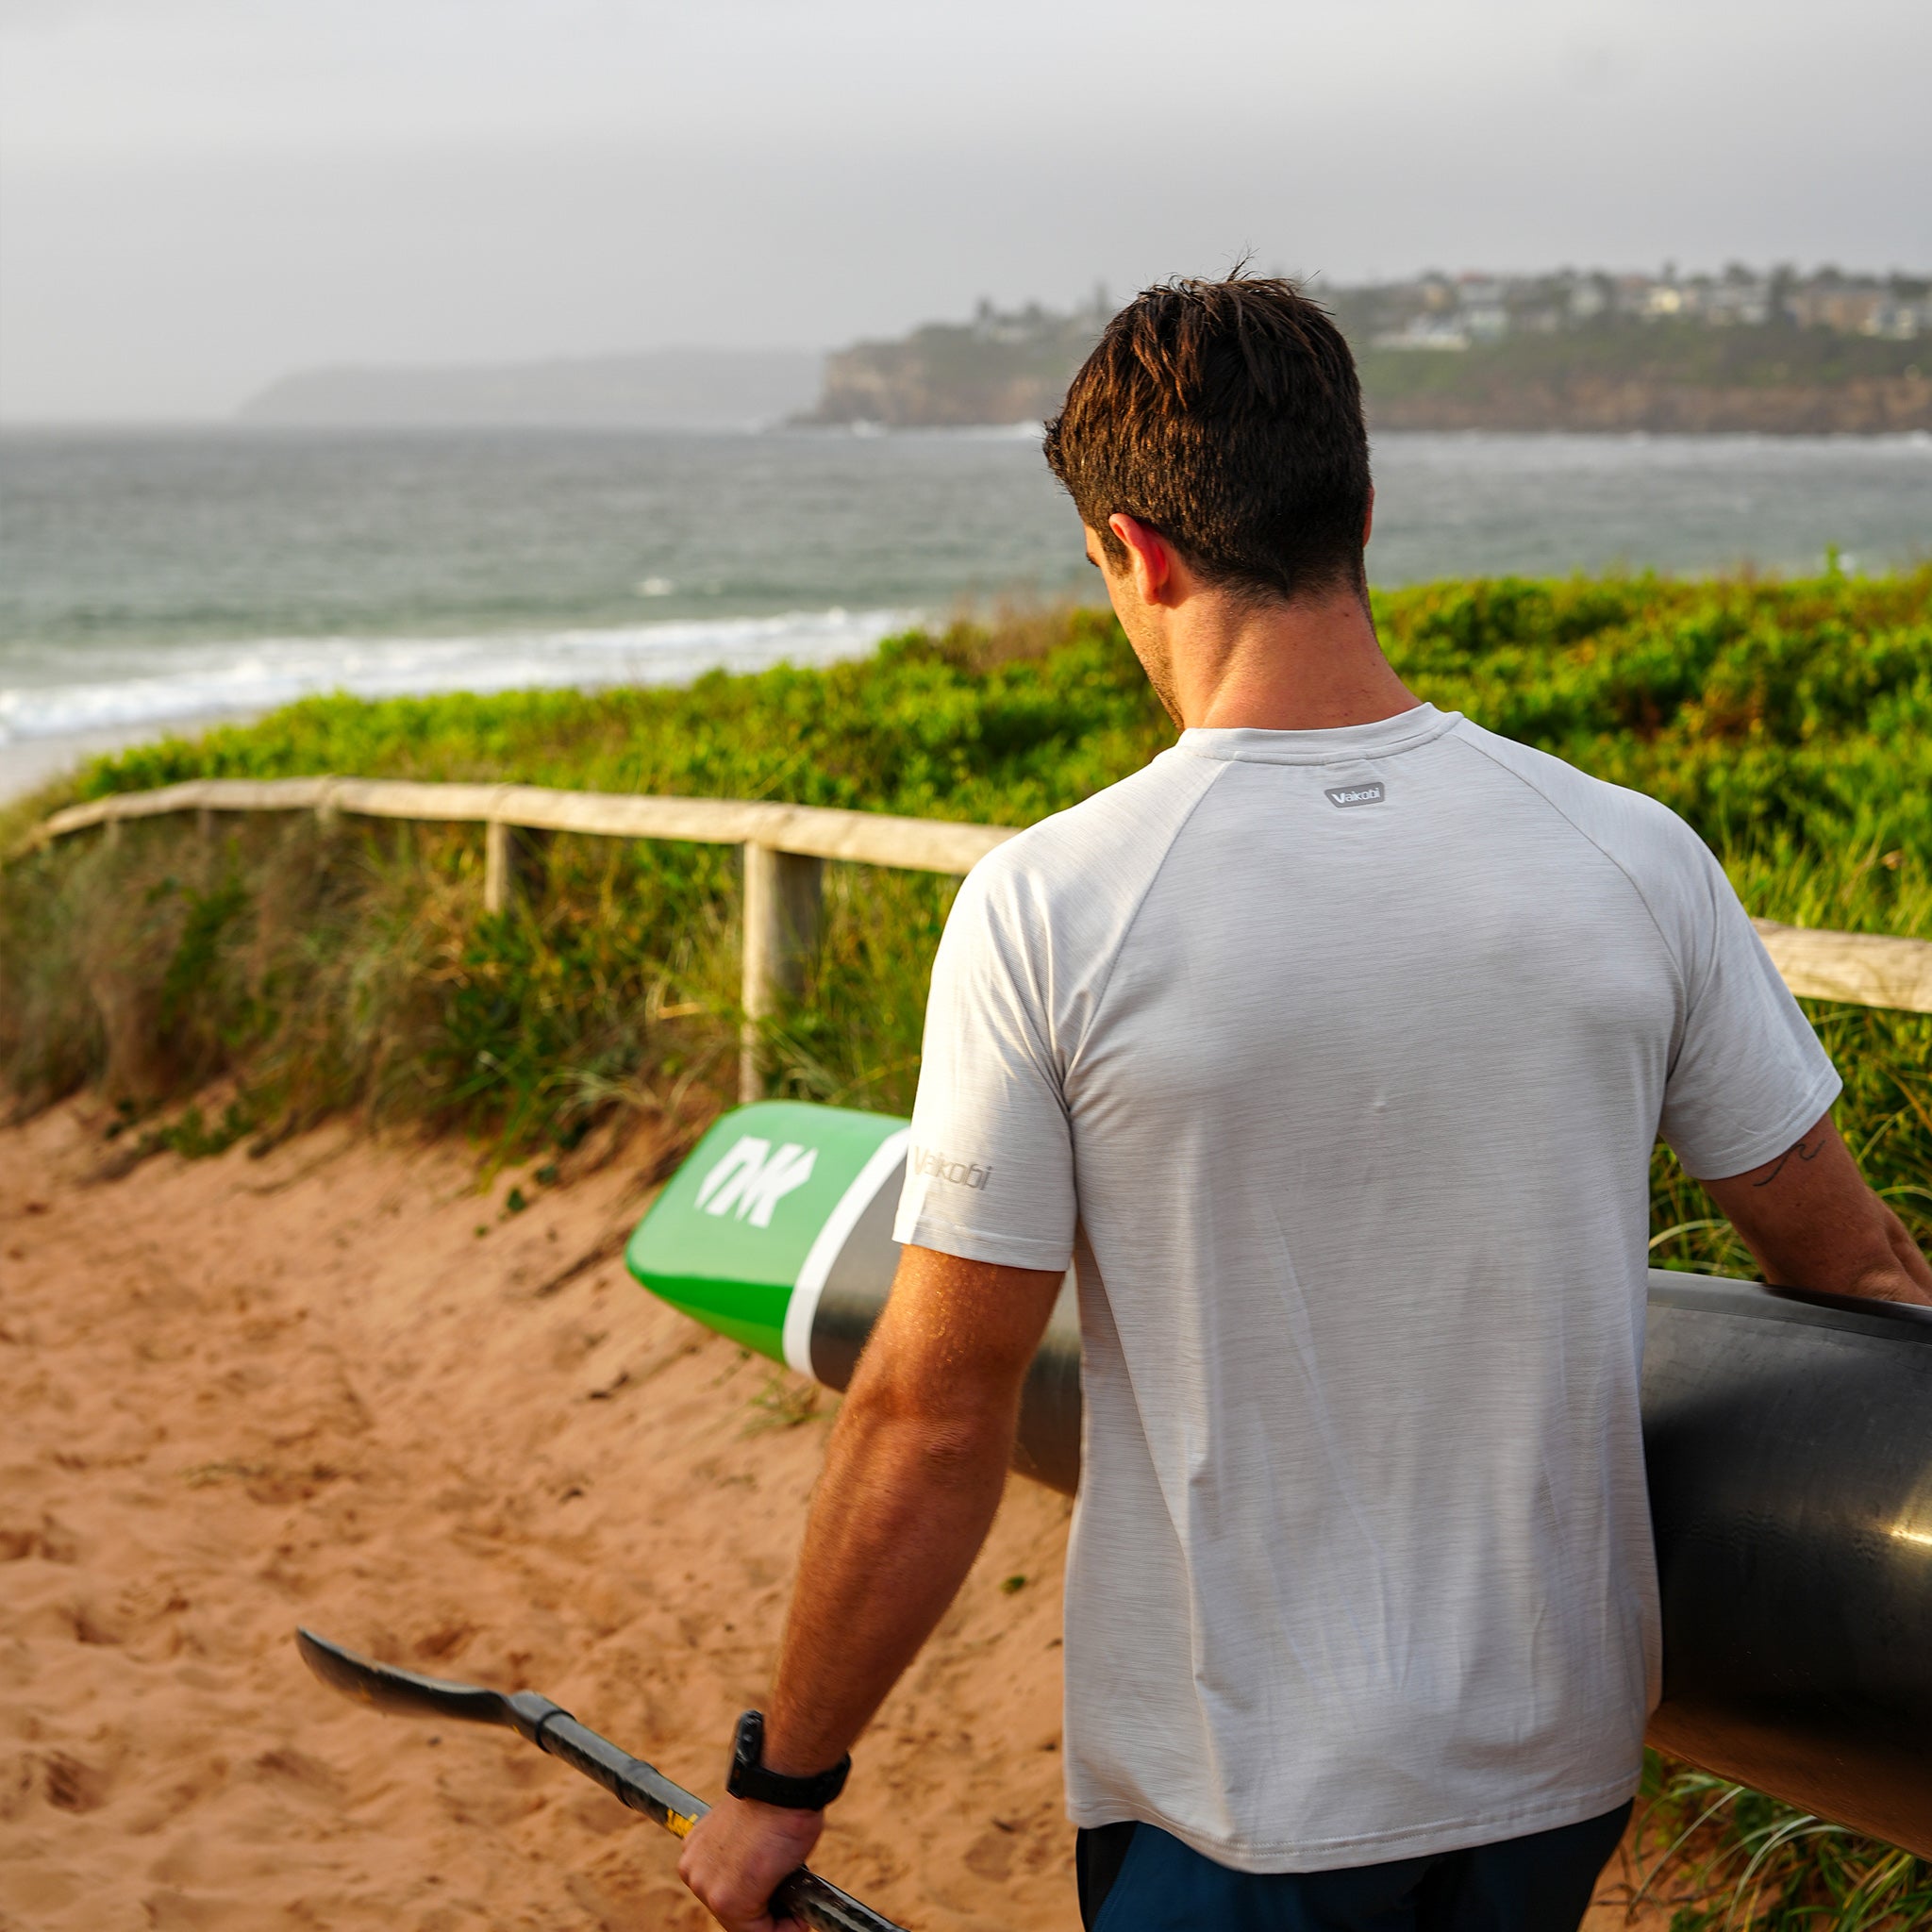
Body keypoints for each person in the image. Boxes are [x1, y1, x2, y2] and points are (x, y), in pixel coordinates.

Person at [678, 275, 1932, 1932]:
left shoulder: (1053, 906)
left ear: (1136, 550)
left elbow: (933, 1412)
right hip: (1558, 1779)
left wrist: (785, 1784)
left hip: (1242, 1804)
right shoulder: (1631, 855)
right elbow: (1856, 1281)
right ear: (1358, 504)